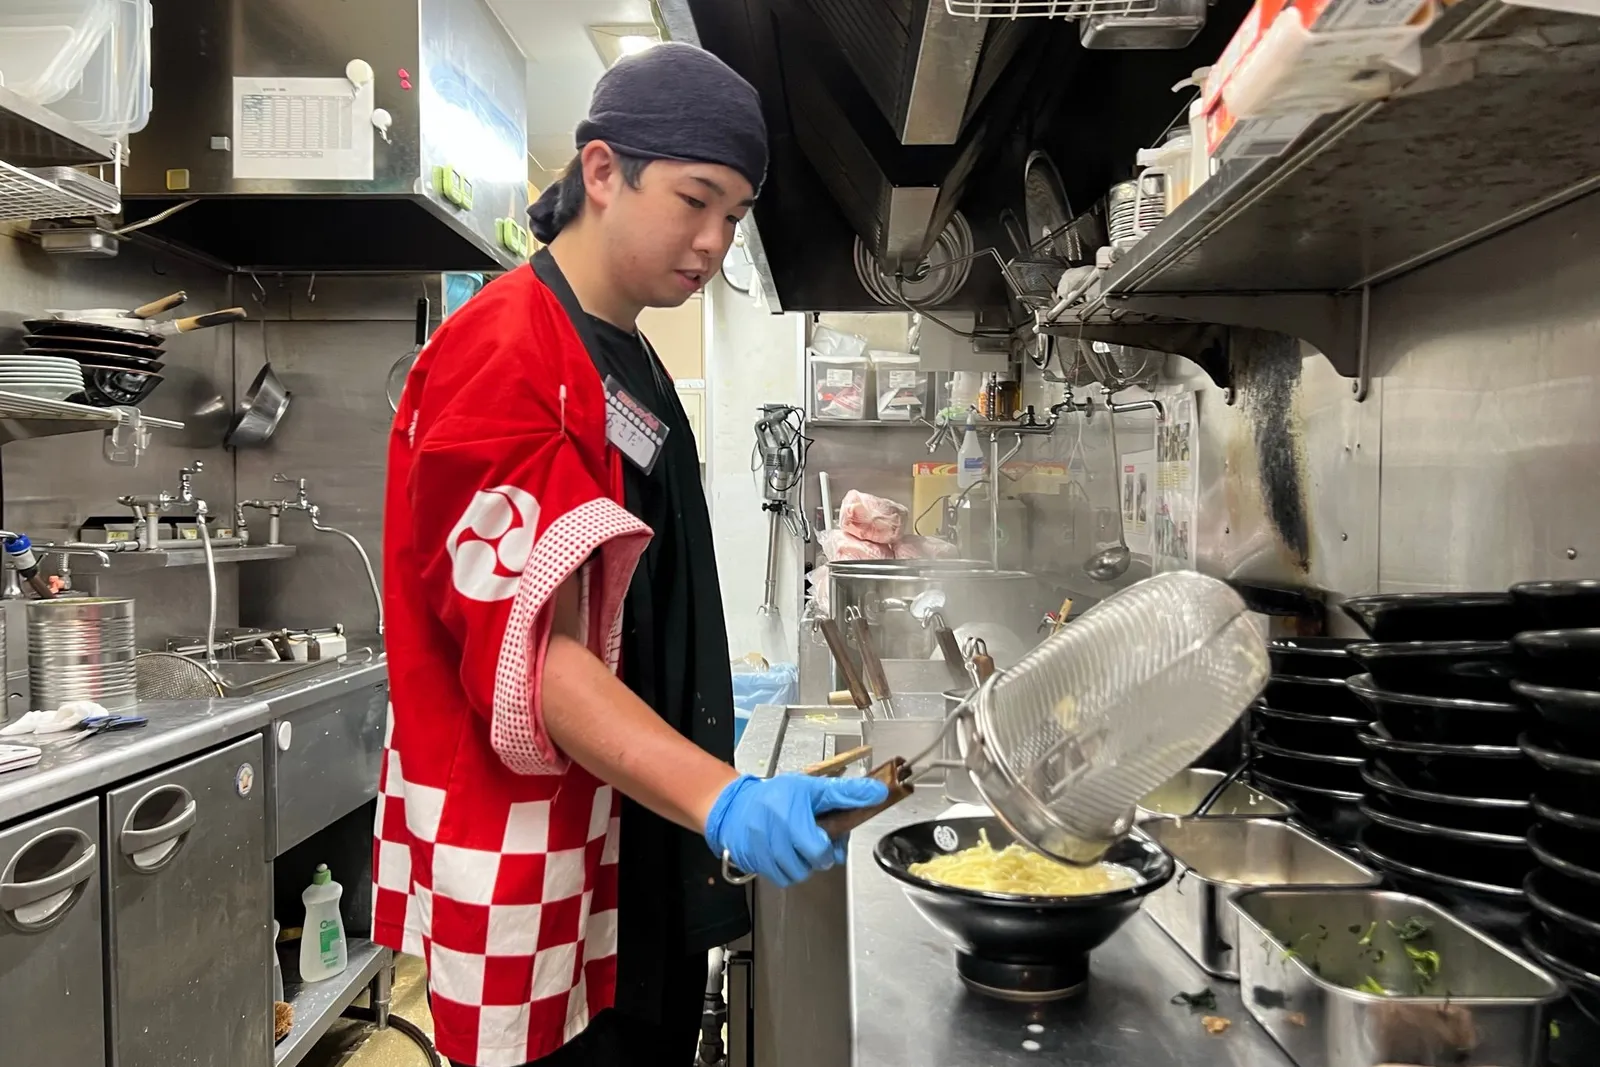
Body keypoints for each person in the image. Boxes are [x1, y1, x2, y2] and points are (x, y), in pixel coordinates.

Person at [373, 43, 889, 1067]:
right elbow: (539, 658)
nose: (712, 240)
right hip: (538, 862)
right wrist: (723, 797)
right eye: (696, 199)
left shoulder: (631, 353)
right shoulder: (503, 353)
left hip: (630, 841)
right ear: (602, 172)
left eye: (735, 215)